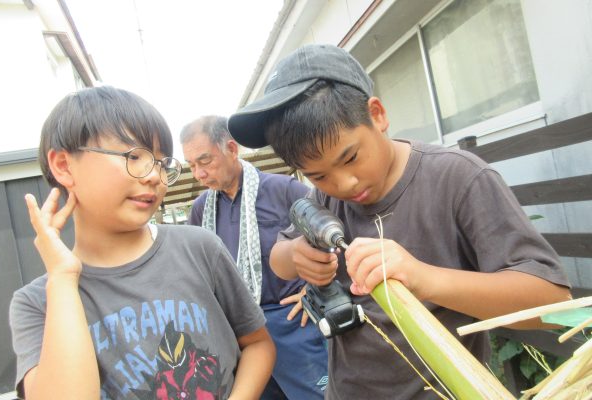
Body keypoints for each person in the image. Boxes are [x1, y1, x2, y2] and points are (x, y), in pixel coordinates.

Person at [226, 44, 572, 399]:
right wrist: (298, 255)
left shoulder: (458, 179)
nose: (344, 184)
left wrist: (422, 277)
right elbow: (280, 258)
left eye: (351, 158)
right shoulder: (326, 198)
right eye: (318, 176)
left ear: (376, 114)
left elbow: (550, 305)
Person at [9, 86, 275, 400]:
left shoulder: (200, 248)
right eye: (134, 157)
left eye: (162, 163)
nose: (154, 176)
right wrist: (63, 279)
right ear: (64, 166)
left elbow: (258, 344)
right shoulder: (38, 303)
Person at [180, 116, 329, 399]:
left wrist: (316, 289)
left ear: (232, 149)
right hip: (240, 333)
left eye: (205, 161)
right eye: (191, 166)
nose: (199, 173)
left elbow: (332, 240)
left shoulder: (285, 190)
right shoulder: (201, 210)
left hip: (291, 321)